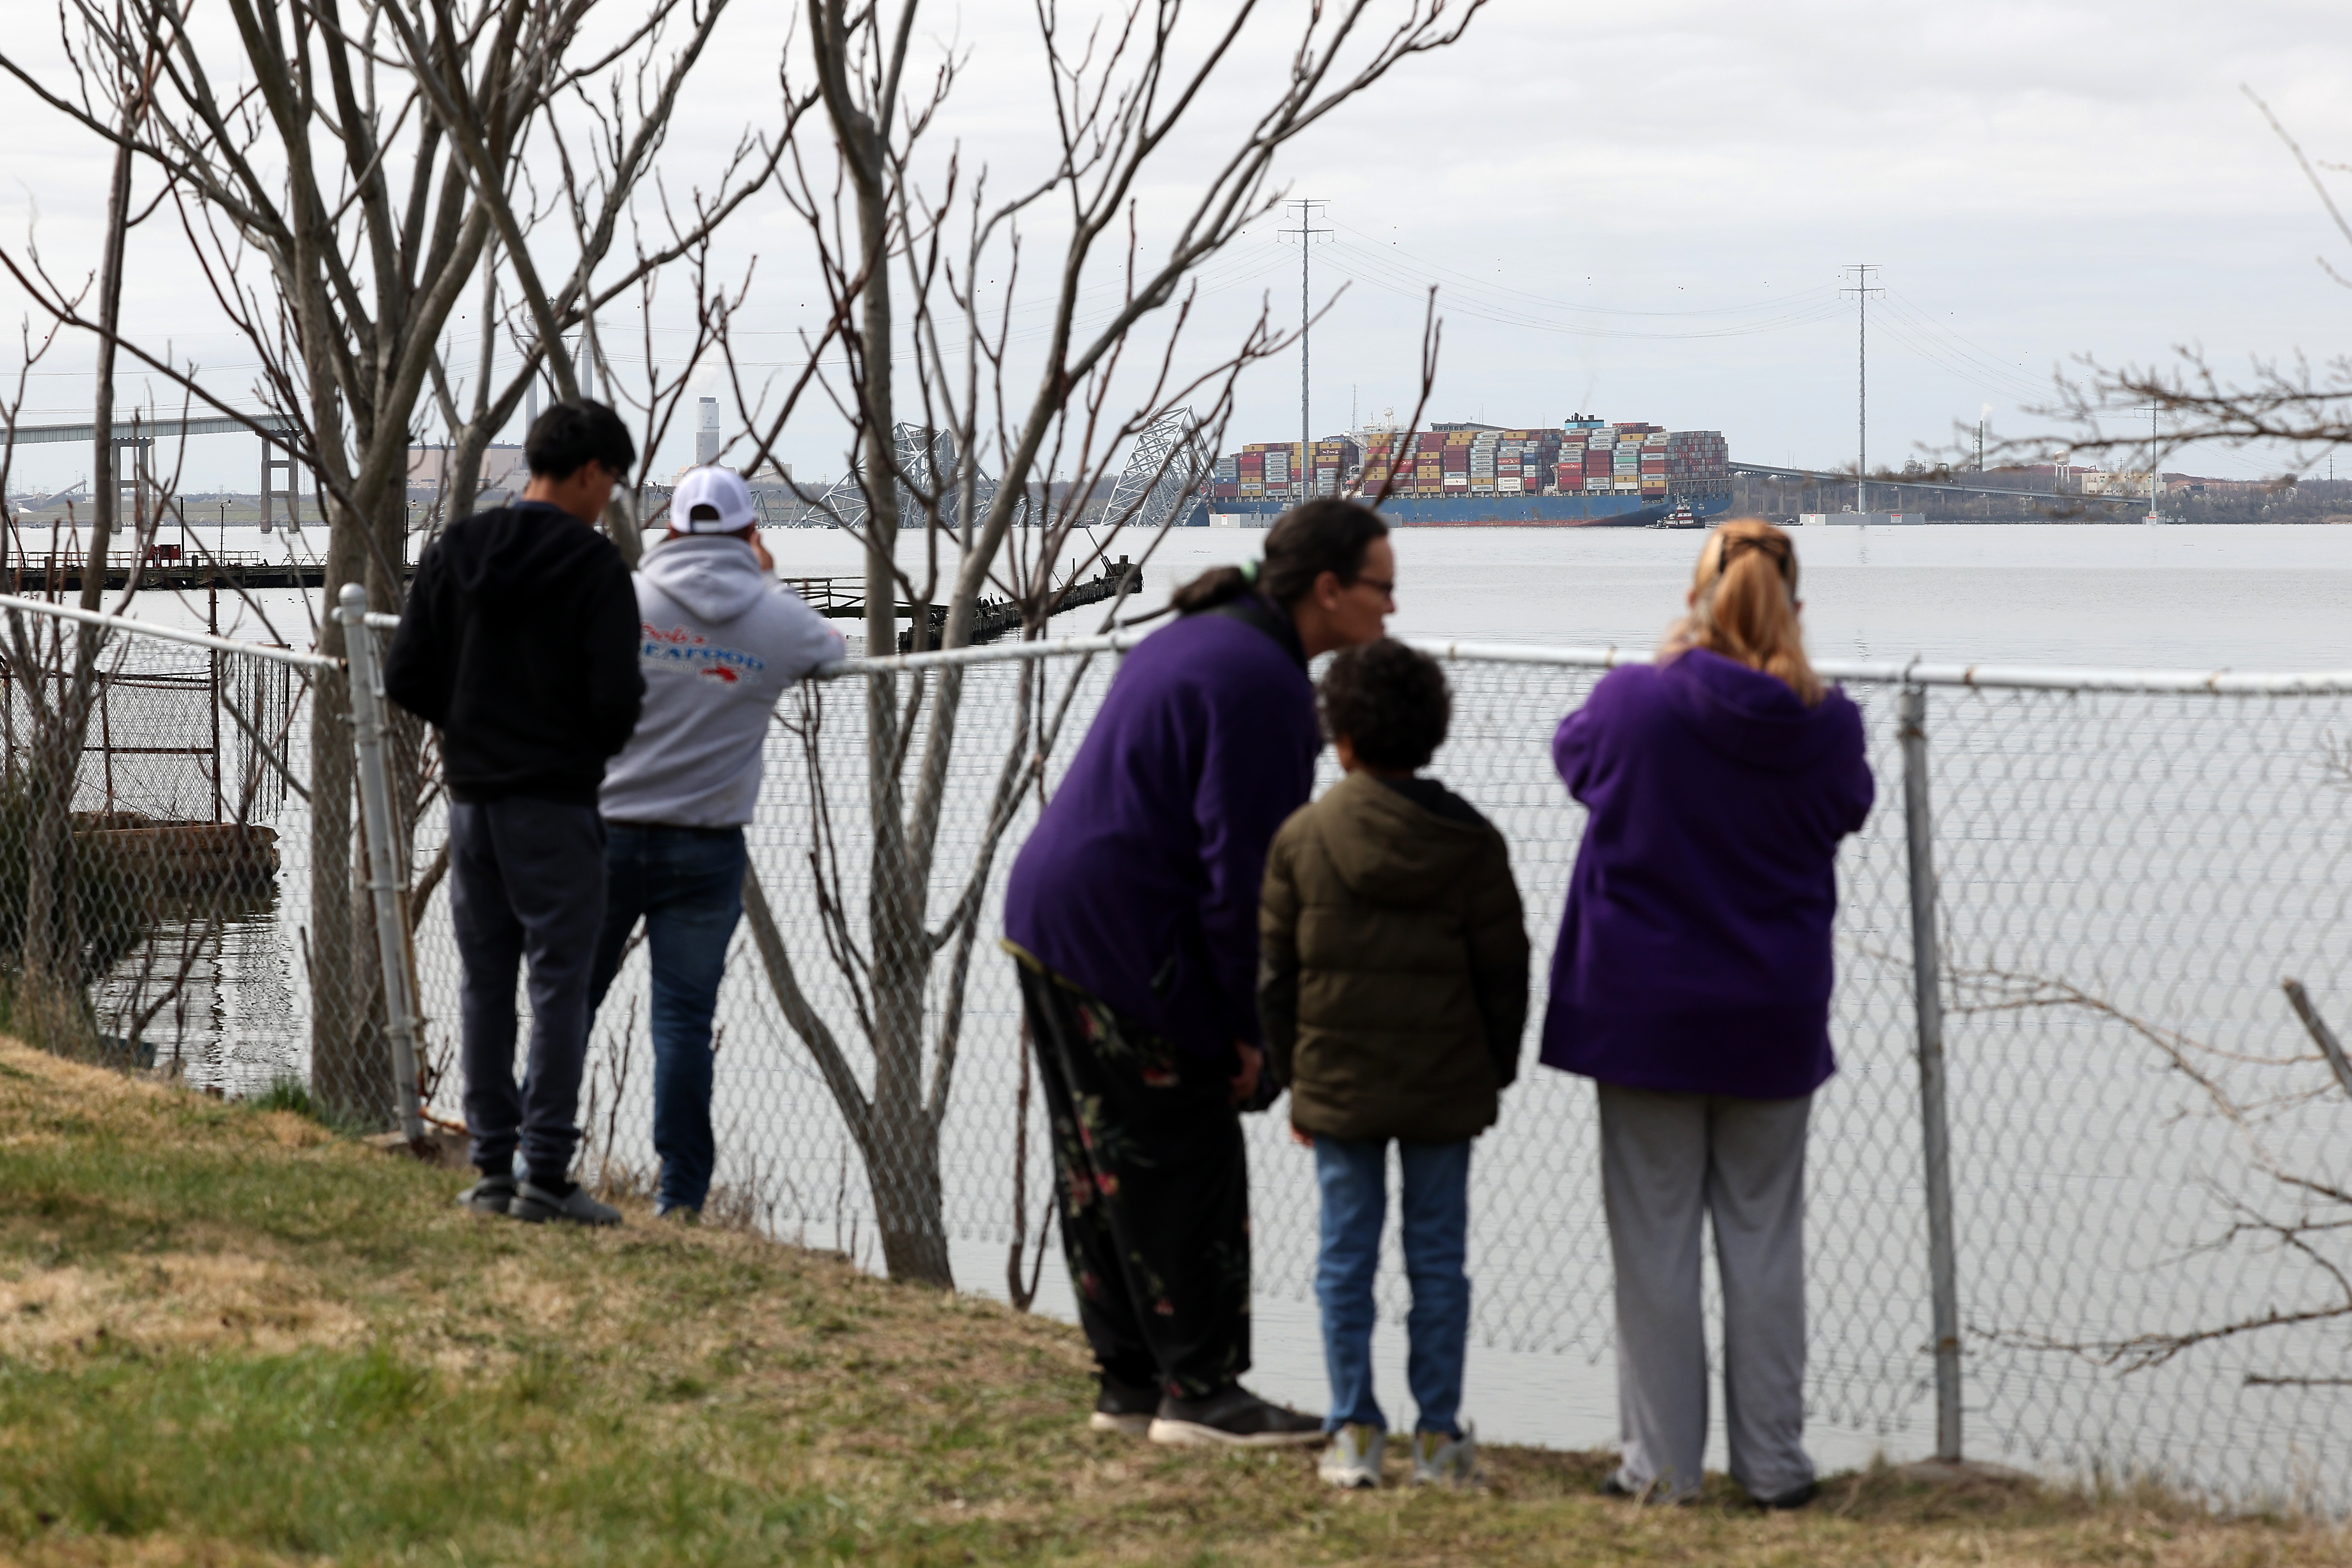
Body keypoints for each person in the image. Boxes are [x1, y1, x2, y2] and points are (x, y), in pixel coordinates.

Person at [1002, 498, 1396, 1448]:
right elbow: (1244, 882)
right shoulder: (1262, 681)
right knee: (1186, 1148)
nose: (1390, 610)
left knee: (1098, 1157)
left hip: (1050, 914)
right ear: (1329, 588)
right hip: (1125, 931)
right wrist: (1245, 1029)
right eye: (1381, 588)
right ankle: (1202, 1390)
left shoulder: (1201, 634)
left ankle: (1128, 1379)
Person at [1541, 518, 1873, 1507]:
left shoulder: (1635, 702)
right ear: (1793, 605)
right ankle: (1773, 1465)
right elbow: (1844, 808)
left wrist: (1670, 659)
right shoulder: (1826, 723)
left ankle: (1663, 1470)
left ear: (1696, 600)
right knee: (1763, 1242)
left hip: (1641, 1014)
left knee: (1655, 1247)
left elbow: (1573, 762)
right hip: (1770, 1010)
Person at [1259, 638, 1528, 1490]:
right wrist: (1494, 1073)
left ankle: (1352, 1433)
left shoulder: (1301, 837)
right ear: (1434, 731)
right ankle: (1440, 1439)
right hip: (1447, 1084)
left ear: (1339, 737)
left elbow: (1275, 979)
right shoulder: (1473, 842)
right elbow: (1506, 974)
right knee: (1438, 1261)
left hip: (1336, 1088)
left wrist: (1292, 1080)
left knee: (1344, 1260)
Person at [384, 399, 644, 1226]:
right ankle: (548, 1174)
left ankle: (492, 1169)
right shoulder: (597, 569)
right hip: (557, 804)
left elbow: (405, 677)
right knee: (560, 984)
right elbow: (615, 703)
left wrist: (468, 726)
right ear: (590, 472)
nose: (610, 499)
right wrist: (575, 742)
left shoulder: (457, 549)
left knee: (486, 980)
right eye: (612, 481)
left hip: (473, 803)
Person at [586, 466, 844, 1220]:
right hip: (706, 847)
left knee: (570, 1001)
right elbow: (829, 651)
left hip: (607, 832)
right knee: (683, 1022)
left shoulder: (622, 602)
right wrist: (764, 584)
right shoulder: (774, 616)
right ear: (747, 536)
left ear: (669, 531)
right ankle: (682, 1197)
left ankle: (540, 1159)